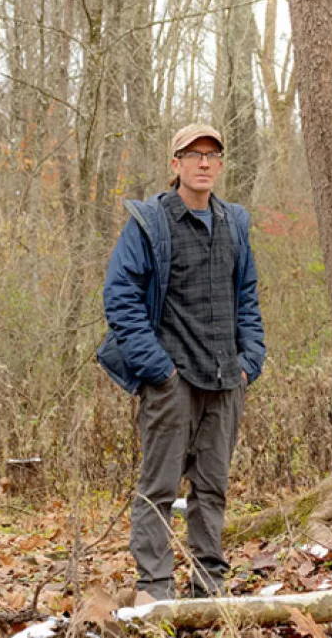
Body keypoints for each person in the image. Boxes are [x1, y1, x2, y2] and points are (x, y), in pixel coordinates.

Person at [96, 123, 265, 603]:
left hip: (227, 377)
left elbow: (247, 296)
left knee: (212, 489)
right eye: (193, 155)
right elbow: (120, 298)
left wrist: (251, 360)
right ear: (176, 165)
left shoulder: (234, 222)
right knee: (159, 487)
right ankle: (155, 588)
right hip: (172, 380)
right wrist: (158, 369)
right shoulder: (150, 223)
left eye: (213, 154)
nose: (204, 163)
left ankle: (209, 587)